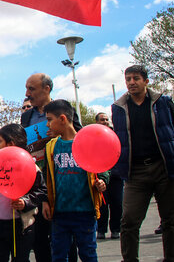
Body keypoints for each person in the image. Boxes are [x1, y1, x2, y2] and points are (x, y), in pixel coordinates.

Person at [111, 65, 174, 262]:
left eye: (136, 78)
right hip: (135, 172)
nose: (131, 82)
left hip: (165, 167)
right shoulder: (118, 108)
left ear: (146, 81)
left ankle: (172, 259)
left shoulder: (163, 102)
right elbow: (118, 140)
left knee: (171, 221)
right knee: (128, 221)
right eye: (128, 79)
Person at [21, 73, 81, 262]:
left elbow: (77, 138)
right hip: (36, 181)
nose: (27, 93)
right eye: (27, 88)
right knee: (38, 236)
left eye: (32, 89)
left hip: (61, 178)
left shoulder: (64, 109)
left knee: (64, 235)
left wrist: (57, 133)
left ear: (46, 89)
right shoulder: (27, 116)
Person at [42, 100, 108, 262]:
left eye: (50, 120)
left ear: (63, 119)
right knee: (58, 255)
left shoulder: (87, 142)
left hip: (85, 212)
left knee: (88, 254)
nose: (47, 125)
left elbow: (102, 167)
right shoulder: (51, 147)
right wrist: (45, 201)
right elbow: (46, 178)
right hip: (60, 213)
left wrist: (102, 181)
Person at [0, 123, 47, 262]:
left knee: (20, 259)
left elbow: (42, 191)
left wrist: (25, 202)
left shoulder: (31, 166)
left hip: (22, 225)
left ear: (10, 144)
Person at [95, 112, 123, 241]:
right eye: (102, 120)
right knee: (103, 205)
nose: (105, 121)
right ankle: (101, 230)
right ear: (97, 122)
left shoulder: (115, 135)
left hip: (116, 175)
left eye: (106, 119)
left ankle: (116, 229)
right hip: (100, 175)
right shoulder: (93, 137)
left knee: (117, 204)